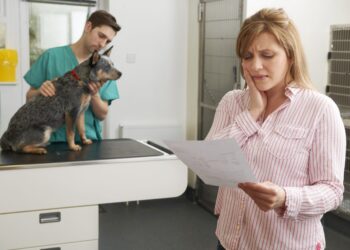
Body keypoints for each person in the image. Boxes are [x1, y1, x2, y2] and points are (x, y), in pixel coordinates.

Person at [206, 8, 346, 250]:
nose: (256, 66)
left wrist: (284, 197)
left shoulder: (320, 109)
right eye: (248, 56)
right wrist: (251, 114)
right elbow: (209, 161)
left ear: (290, 56)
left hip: (286, 244)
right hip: (230, 241)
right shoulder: (233, 102)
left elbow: (332, 191)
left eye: (267, 55)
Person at [24, 10, 121, 142]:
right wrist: (40, 91)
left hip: (88, 141)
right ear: (88, 27)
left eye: (107, 41)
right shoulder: (51, 56)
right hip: (51, 140)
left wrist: (94, 94)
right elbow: (29, 98)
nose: (102, 44)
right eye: (101, 36)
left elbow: (102, 114)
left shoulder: (104, 68)